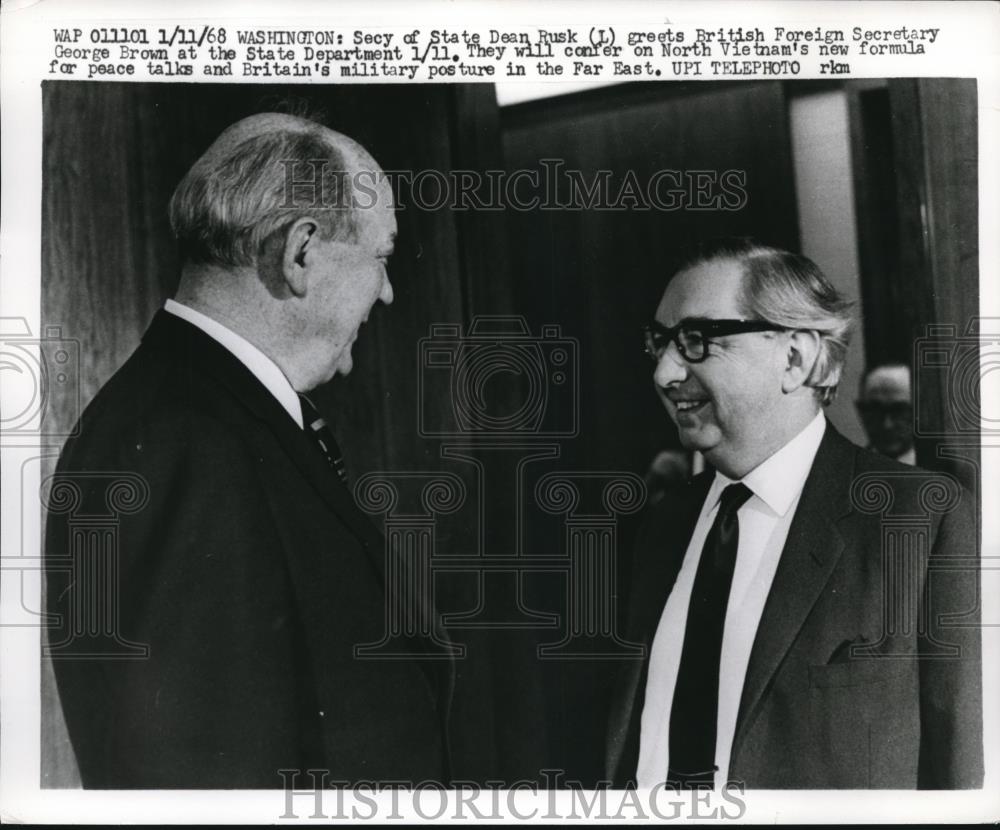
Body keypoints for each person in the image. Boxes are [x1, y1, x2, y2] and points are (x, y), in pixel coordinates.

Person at [45, 113, 453, 788]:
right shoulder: (183, 443)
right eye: (381, 258)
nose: (387, 291)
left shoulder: (209, 415)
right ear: (302, 252)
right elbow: (197, 775)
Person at [607, 239, 981, 789]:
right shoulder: (660, 525)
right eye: (659, 342)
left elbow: (964, 773)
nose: (664, 372)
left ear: (795, 357)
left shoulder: (921, 520)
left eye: (696, 340)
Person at [856, 363, 915, 464]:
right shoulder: (848, 472)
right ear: (861, 412)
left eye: (899, 411)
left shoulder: (944, 471)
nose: (887, 425)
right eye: (876, 411)